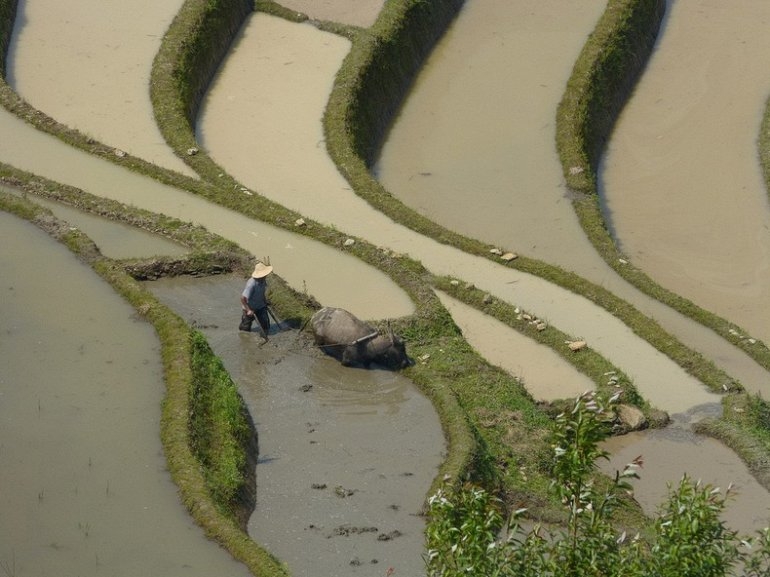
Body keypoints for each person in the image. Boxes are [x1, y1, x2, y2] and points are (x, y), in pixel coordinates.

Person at [240, 261, 273, 339]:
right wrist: (248, 310)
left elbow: (261, 292)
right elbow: (242, 298)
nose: (266, 275)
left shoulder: (263, 280)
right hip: (250, 307)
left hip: (261, 306)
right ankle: (245, 339)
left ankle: (264, 336)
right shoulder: (251, 284)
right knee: (245, 328)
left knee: (266, 325)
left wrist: (265, 301)